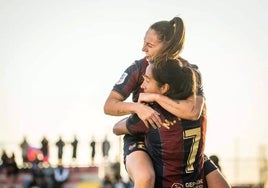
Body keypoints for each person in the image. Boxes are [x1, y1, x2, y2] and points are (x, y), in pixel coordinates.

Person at [103, 16, 230, 188]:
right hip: (143, 131)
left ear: (168, 46)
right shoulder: (137, 68)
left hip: (174, 138)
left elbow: (193, 111)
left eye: (150, 45)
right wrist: (139, 108)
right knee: (145, 177)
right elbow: (109, 106)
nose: (143, 49)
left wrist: (156, 98)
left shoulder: (189, 72)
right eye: (144, 43)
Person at [114, 59, 206, 187]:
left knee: (145, 178)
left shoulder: (152, 115)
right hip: (194, 167)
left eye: (147, 80)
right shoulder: (198, 105)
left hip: (169, 178)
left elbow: (116, 128)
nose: (142, 86)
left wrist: (138, 109)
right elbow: (193, 111)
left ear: (164, 88)